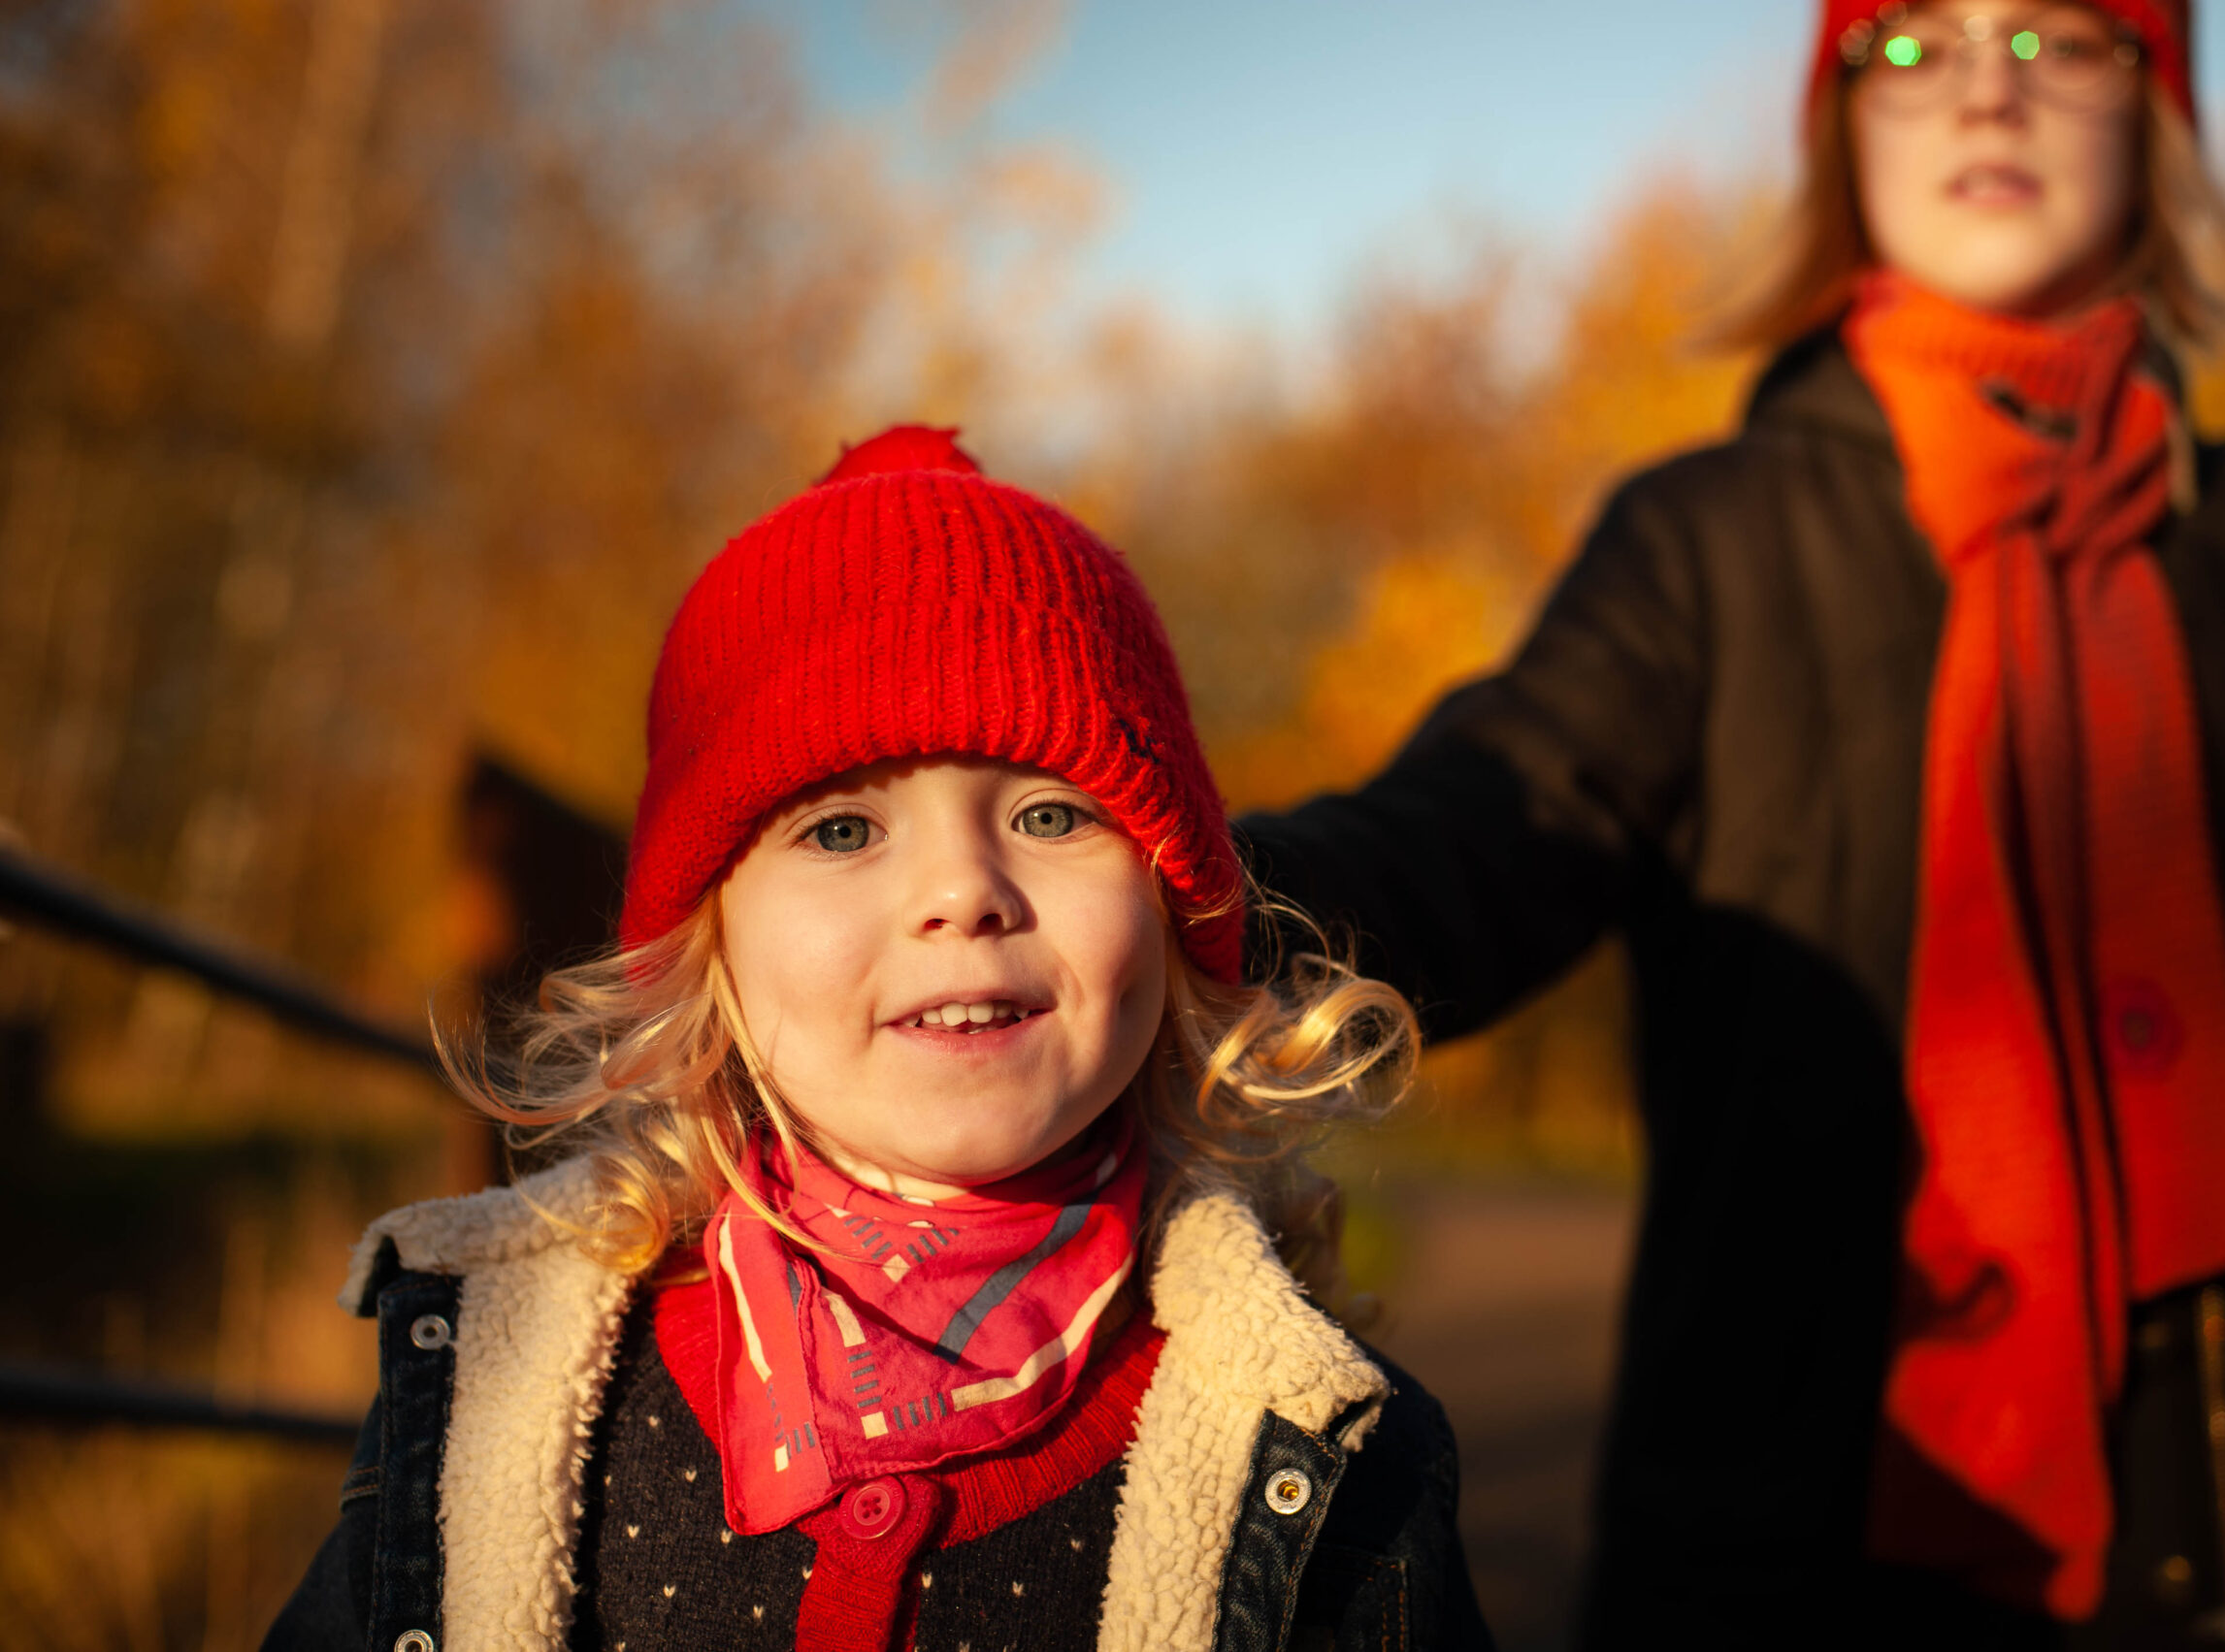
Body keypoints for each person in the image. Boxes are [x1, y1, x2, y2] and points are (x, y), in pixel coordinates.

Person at [1236, 2, 2225, 1646]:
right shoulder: (1709, 544)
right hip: (1781, 1576)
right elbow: (1471, 832)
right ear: (1842, 134)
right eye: (1910, 42)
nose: (1985, 91)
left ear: (2159, 116)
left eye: (2063, 38)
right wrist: (1144, 874)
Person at [262, 427, 1493, 1652]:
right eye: (843, 830)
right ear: (708, 952)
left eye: (1051, 814)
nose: (962, 891)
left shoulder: (1341, 1463)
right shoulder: (488, 1388)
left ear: (1175, 918)